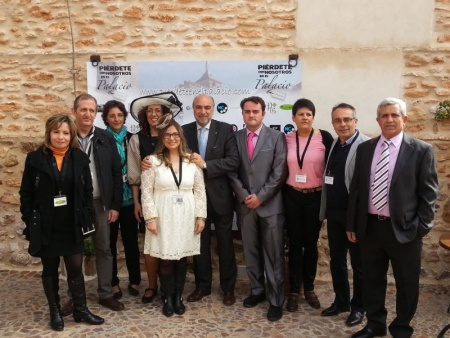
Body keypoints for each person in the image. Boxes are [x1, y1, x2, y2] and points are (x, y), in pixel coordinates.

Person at [347, 98, 438, 338]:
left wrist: (421, 228)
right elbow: (357, 189)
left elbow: (429, 194)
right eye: (384, 116)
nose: (389, 120)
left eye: (394, 115)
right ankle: (375, 324)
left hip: (405, 230)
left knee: (407, 284)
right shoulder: (365, 149)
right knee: (372, 281)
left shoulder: (421, 150)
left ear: (404, 119)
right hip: (371, 229)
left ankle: (401, 328)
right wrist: (353, 223)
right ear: (378, 121)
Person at [19, 114, 104, 331]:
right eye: (56, 132)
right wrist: (30, 219)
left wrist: (88, 215)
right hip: (47, 224)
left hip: (72, 222)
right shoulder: (35, 159)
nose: (61, 137)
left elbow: (87, 191)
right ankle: (55, 310)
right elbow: (26, 193)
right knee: (50, 267)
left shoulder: (80, 158)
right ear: (49, 133)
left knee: (75, 266)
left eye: (65, 133)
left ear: (71, 135)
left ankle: (81, 309)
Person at [61, 93, 124, 313]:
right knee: (73, 249)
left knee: (104, 248)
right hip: (73, 204)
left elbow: (117, 173)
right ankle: (74, 297)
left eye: (92, 110)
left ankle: (105, 294)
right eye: (83, 109)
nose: (88, 114)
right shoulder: (65, 137)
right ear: (74, 111)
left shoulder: (105, 138)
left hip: (101, 203)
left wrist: (115, 205)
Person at [227, 96, 287, 322]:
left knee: (273, 255)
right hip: (245, 207)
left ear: (263, 113)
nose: (251, 115)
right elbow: (232, 170)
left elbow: (279, 172)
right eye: (247, 111)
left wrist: (260, 197)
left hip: (270, 206)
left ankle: (275, 300)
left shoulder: (277, 137)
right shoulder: (235, 138)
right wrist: (244, 196)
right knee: (251, 253)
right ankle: (257, 291)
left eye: (256, 111)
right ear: (242, 113)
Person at [141, 115, 207, 317]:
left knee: (181, 259)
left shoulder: (192, 160)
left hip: (186, 215)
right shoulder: (152, 162)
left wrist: (200, 217)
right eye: (167, 135)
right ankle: (167, 297)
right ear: (162, 138)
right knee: (166, 259)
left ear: (181, 137)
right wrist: (150, 218)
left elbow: (200, 190)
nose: (171, 138)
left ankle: (178, 295)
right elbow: (146, 191)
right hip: (162, 216)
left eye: (175, 134)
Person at [182, 95, 239, 306]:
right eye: (199, 107)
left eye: (207, 107)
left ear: (213, 109)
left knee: (225, 245)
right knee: (200, 245)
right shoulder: (184, 130)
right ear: (193, 109)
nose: (203, 111)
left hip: (221, 196)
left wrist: (206, 164)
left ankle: (228, 288)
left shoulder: (225, 130)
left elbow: (233, 161)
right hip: (193, 198)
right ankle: (202, 286)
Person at [318, 103, 369, 326]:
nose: (343, 124)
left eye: (347, 119)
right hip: (335, 213)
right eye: (338, 120)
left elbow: (366, 187)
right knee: (336, 260)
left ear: (355, 121)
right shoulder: (334, 144)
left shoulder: (365, 145)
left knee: (358, 265)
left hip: (354, 217)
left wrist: (355, 220)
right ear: (333, 124)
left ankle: (359, 307)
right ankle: (341, 301)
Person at [283, 98, 333, 312]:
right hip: (292, 196)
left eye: (309, 114)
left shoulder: (325, 138)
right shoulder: (285, 138)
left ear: (313, 117)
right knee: (294, 244)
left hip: (315, 196)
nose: (305, 118)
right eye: (301, 114)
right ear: (293, 117)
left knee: (311, 244)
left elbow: (333, 167)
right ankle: (294, 290)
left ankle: (310, 288)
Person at [127, 95, 174, 304]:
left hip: (171, 198)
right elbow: (134, 175)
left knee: (169, 242)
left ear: (164, 114)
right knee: (151, 244)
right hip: (148, 200)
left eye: (158, 110)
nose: (154, 114)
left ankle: (168, 286)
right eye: (150, 111)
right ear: (144, 115)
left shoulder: (172, 136)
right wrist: (137, 203)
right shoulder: (137, 140)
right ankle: (152, 285)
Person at [101, 100, 141, 299]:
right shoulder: (101, 139)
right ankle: (113, 282)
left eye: (119, 115)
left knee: (131, 242)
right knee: (109, 244)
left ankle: (134, 280)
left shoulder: (133, 138)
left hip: (130, 200)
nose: (116, 119)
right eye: (111, 116)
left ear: (125, 117)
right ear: (106, 119)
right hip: (110, 202)